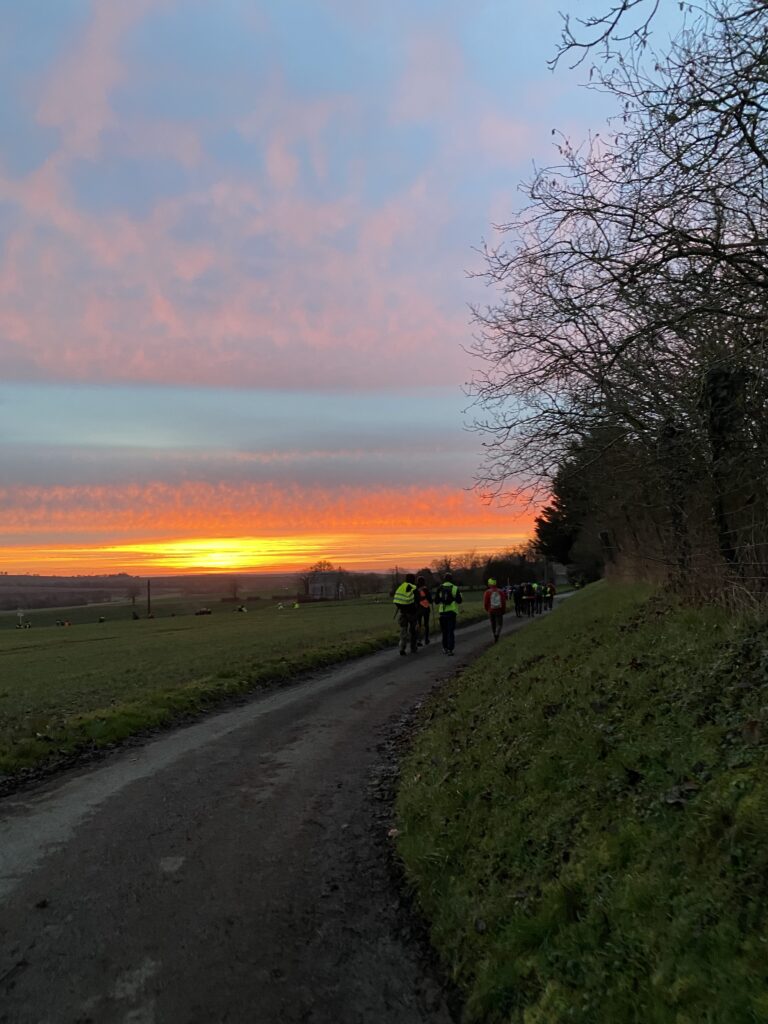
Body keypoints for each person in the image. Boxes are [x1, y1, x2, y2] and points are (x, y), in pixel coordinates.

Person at [434, 572, 462, 655]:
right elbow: (459, 601)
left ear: (444, 579)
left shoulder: (440, 588)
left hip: (442, 612)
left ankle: (445, 648)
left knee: (444, 631)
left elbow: (436, 601)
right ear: (451, 579)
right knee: (450, 631)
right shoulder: (455, 588)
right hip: (452, 612)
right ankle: (450, 649)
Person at [392, 573, 419, 656]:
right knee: (413, 630)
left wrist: (402, 609)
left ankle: (402, 648)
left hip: (402, 612)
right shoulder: (414, 588)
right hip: (412, 613)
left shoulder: (400, 587)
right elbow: (417, 600)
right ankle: (413, 647)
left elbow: (397, 599)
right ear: (413, 580)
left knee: (403, 631)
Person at [483, 577, 507, 643]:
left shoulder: (487, 592)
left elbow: (485, 602)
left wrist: (487, 609)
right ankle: (497, 634)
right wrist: (503, 610)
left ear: (489, 584)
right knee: (499, 624)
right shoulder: (500, 591)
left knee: (493, 624)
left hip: (491, 610)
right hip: (499, 610)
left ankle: (494, 635)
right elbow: (503, 601)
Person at [415, 575, 432, 646]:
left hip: (418, 609)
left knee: (419, 625)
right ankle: (426, 639)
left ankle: (419, 640)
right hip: (425, 608)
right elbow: (430, 600)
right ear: (424, 582)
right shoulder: (425, 589)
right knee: (426, 624)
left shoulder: (415, 590)